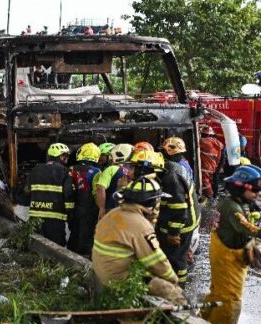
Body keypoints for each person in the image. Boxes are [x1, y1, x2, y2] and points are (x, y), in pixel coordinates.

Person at [200, 165, 261, 324]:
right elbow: (243, 226)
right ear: (240, 187)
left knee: (217, 293)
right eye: (255, 189)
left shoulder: (239, 202)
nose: (259, 193)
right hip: (226, 257)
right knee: (229, 300)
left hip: (228, 251)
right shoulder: (231, 207)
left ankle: (201, 323)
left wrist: (251, 243)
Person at [92, 177, 185, 305]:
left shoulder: (112, 214)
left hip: (102, 273)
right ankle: (185, 318)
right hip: (118, 279)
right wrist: (173, 281)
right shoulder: (141, 225)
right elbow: (156, 261)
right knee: (171, 292)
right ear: (151, 203)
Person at [157, 137, 199, 285]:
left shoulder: (171, 173)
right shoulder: (179, 166)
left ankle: (178, 288)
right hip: (188, 219)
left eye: (163, 151)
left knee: (176, 259)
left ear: (168, 152)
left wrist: (174, 233)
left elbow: (178, 207)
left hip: (182, 223)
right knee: (179, 255)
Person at [27, 143, 74, 246]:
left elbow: (27, 191)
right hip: (55, 218)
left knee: (36, 245)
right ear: (61, 156)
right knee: (56, 247)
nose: (67, 158)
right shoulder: (65, 172)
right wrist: (70, 214)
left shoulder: (35, 170)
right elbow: (68, 195)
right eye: (66, 156)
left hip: (35, 216)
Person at [67, 143, 101, 255]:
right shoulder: (96, 172)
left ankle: (69, 254)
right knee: (87, 234)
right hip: (89, 207)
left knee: (74, 232)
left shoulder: (71, 169)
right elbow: (97, 191)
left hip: (73, 206)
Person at [95, 143, 132, 217]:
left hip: (111, 208)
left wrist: (101, 209)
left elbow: (100, 188)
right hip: (128, 209)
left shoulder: (110, 169)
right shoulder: (132, 170)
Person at [199, 125, 224, 198]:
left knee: (205, 181)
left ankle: (209, 195)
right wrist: (219, 167)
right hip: (214, 166)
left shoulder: (202, 141)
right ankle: (214, 195)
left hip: (205, 166)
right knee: (214, 180)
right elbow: (223, 157)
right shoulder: (219, 143)